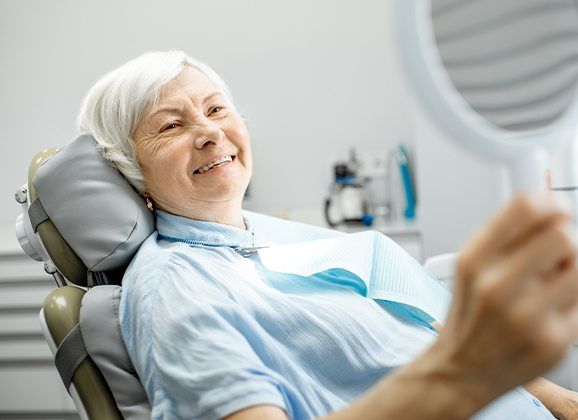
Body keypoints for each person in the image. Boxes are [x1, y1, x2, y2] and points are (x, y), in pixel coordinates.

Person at [78, 50, 578, 419]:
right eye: (170, 127)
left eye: (216, 110)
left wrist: (558, 400)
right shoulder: (174, 286)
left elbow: (439, 329)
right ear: (131, 170)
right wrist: (463, 371)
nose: (209, 133)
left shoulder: (277, 237)